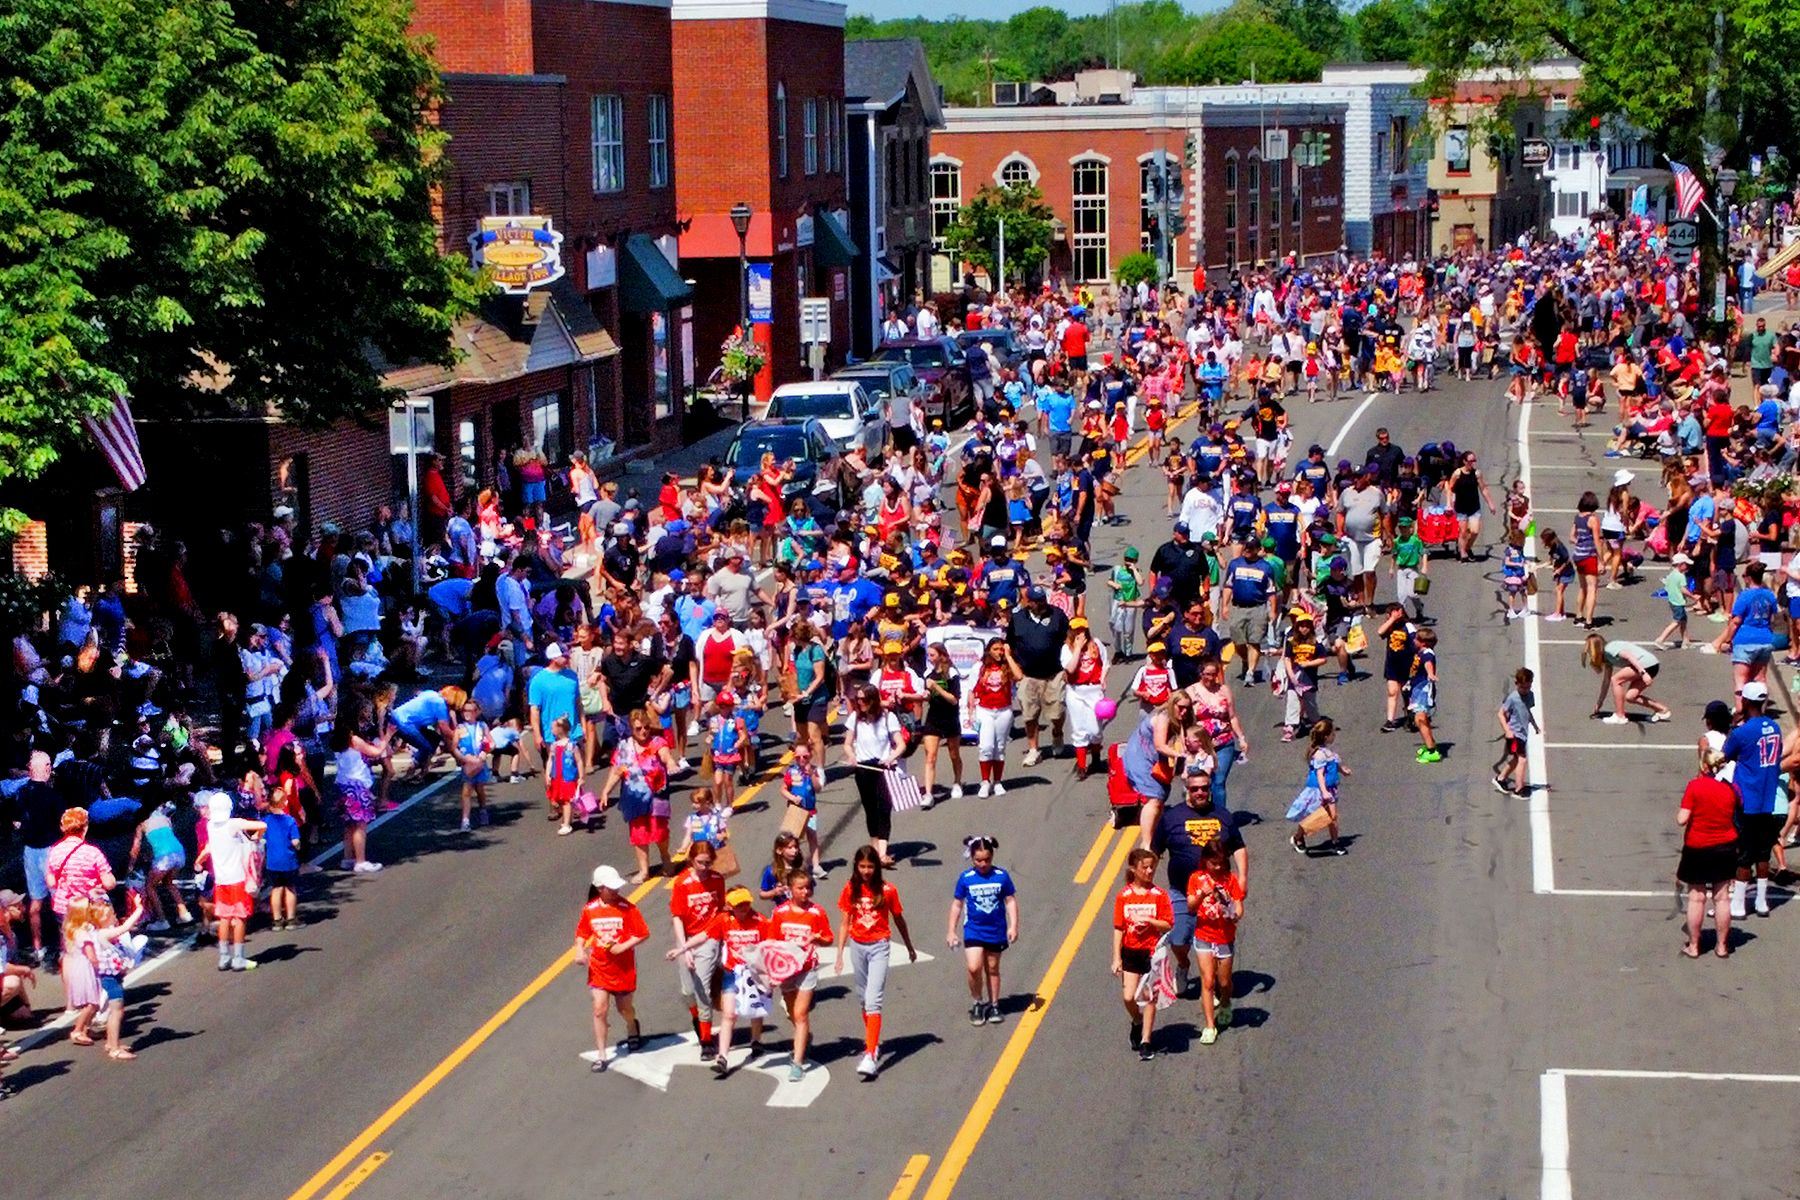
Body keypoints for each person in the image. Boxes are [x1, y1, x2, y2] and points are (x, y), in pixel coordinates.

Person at [833, 846, 919, 1079]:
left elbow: (899, 919)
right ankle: (873, 1040)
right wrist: (840, 954)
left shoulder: (888, 890)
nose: (867, 871)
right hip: (857, 946)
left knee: (873, 1001)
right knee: (863, 998)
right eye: (862, 866)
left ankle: (870, 1055)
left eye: (871, 866)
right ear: (856, 866)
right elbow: (844, 922)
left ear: (877, 867)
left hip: (879, 946)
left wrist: (909, 946)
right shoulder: (850, 888)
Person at [575, 864, 648, 1071]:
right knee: (599, 1010)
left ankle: (632, 1025)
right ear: (600, 888)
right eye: (611, 888)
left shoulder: (627, 908)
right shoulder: (590, 910)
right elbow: (582, 933)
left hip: (623, 969)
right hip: (600, 968)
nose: (616, 892)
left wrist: (622, 947)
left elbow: (642, 933)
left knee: (624, 1009)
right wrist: (579, 950)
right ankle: (601, 1054)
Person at [765, 869, 834, 1082]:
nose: (805, 892)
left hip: (807, 968)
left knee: (801, 1012)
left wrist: (816, 938)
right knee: (792, 1012)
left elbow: (828, 938)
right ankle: (804, 1039)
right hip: (785, 969)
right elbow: (771, 942)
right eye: (800, 888)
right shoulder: (780, 913)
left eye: (808, 888)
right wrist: (770, 973)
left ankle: (797, 1062)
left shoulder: (817, 912)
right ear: (790, 889)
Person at [1722, 682, 1783, 919]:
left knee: (1744, 854)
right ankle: (1761, 901)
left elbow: (1726, 754)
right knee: (1763, 853)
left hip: (1747, 798)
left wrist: (1734, 724)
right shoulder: (1775, 728)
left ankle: (1738, 904)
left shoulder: (1742, 732)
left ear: (1746, 702)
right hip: (1768, 800)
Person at [600, 708, 682, 884]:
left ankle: (665, 858)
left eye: (646, 727)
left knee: (659, 831)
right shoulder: (624, 747)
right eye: (638, 728)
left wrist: (671, 763)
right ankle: (644, 870)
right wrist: (606, 791)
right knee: (639, 834)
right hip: (634, 797)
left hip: (657, 795)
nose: (643, 731)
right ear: (631, 728)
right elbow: (617, 771)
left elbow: (666, 756)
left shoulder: (657, 742)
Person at [665, 837, 726, 1060]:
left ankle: (707, 1039)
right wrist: (685, 948)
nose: (704, 868)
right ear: (691, 860)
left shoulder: (717, 880)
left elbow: (720, 910)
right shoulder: (682, 883)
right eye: (700, 863)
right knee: (688, 991)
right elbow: (677, 917)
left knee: (702, 988)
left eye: (708, 863)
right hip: (687, 937)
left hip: (709, 938)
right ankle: (698, 1018)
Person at [192, 792, 267, 972]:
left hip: (221, 881)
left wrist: (199, 860)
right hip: (238, 879)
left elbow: (209, 848)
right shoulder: (234, 824)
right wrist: (256, 836)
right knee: (240, 918)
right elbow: (262, 824)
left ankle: (224, 956)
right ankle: (239, 958)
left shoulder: (210, 826)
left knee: (224, 918)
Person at [1110, 847, 1172, 1062]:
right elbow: (1119, 928)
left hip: (1152, 952)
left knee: (1149, 998)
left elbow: (1167, 923)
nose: (1149, 871)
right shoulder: (1124, 896)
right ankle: (1137, 1021)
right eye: (1144, 867)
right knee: (1129, 997)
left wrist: (1150, 923)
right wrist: (1116, 957)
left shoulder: (1159, 895)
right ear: (1133, 869)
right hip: (1131, 952)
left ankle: (1146, 1040)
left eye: (1152, 867)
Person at [948, 835, 1017, 1027]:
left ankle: (994, 1004)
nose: (983, 864)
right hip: (974, 930)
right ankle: (977, 1002)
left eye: (987, 859)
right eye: (978, 860)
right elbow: (957, 905)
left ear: (992, 856)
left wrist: (1013, 926)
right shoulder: (966, 879)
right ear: (971, 858)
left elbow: (1010, 900)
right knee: (974, 967)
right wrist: (951, 931)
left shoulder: (1001, 876)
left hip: (996, 930)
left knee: (993, 968)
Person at [1678, 750, 1740, 958]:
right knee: (1722, 898)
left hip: (1697, 846)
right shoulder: (1730, 789)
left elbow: (1682, 819)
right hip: (1725, 846)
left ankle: (1694, 946)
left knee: (1697, 898)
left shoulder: (1695, 786)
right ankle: (1722, 946)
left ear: (1704, 766)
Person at [1187, 839, 1244, 1045]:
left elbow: (1238, 906)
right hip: (1203, 936)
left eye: (1220, 862)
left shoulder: (1230, 880)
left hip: (1224, 937)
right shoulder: (1196, 878)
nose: (1217, 867)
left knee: (1224, 982)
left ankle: (1226, 1002)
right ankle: (1210, 1025)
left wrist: (1235, 915)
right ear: (1205, 861)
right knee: (1208, 981)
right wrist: (1202, 892)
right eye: (1213, 862)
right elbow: (1191, 906)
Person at [844, 685, 905, 867]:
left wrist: (890, 758)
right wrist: (852, 756)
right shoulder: (855, 718)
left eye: (862, 700)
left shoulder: (888, 718)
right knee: (870, 809)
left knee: (883, 808)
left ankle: (883, 852)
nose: (859, 703)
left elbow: (900, 743)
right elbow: (847, 744)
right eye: (858, 699)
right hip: (863, 768)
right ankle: (875, 849)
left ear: (872, 700)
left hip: (882, 767)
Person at [82, 892, 146, 1061]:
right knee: (117, 1011)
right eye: (112, 916)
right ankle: (115, 1048)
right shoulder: (102, 933)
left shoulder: (98, 932)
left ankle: (112, 1043)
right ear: (102, 919)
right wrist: (139, 909)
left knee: (113, 1011)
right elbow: (124, 928)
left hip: (112, 976)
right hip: (110, 978)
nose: (115, 917)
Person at [331, 722, 391, 874]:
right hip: (357, 785)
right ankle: (360, 861)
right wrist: (388, 735)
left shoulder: (338, 739)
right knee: (360, 824)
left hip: (344, 784)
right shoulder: (354, 740)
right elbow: (376, 751)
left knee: (349, 824)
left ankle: (347, 858)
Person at [1285, 719, 1348, 855]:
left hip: (1330, 789)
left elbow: (1334, 765)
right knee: (1314, 818)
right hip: (1319, 791)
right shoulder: (1319, 754)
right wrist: (1324, 792)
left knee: (1333, 817)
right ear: (1326, 736)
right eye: (1332, 733)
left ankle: (1335, 842)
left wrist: (1343, 771)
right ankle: (1298, 837)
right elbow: (1320, 774)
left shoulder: (1328, 752)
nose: (1334, 736)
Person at [970, 639, 1024, 795]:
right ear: (988, 650)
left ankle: (998, 781)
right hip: (984, 711)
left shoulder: (1007, 666)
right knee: (986, 747)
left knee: (999, 748)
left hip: (1004, 711)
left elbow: (1019, 676)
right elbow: (971, 691)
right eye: (996, 649)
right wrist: (971, 712)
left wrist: (1008, 655)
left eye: (1001, 649)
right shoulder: (979, 668)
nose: (999, 652)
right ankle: (985, 781)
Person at [1581, 635, 1672, 724]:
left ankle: (1620, 716)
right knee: (1630, 697)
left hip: (1646, 665)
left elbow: (1629, 656)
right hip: (1651, 666)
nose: (1589, 653)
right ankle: (1662, 710)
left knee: (1616, 679)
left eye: (1589, 650)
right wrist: (1600, 702)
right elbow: (1606, 681)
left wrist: (1643, 673)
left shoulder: (1610, 648)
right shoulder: (1607, 658)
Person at [1061, 617, 1110, 778]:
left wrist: (1103, 678)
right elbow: (1070, 668)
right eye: (1077, 630)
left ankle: (1096, 759)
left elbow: (1106, 663)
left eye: (1083, 629)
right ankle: (1081, 766)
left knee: (1096, 729)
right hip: (1076, 691)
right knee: (1079, 729)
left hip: (1094, 690)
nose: (1081, 633)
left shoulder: (1096, 643)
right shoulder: (1066, 648)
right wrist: (1077, 648)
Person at [919, 643, 965, 806]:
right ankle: (929, 794)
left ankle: (957, 782)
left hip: (950, 717)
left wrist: (936, 687)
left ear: (941, 655)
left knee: (954, 754)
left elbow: (954, 699)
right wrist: (925, 694)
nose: (930, 658)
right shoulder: (928, 673)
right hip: (934, 718)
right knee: (930, 756)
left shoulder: (951, 673)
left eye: (932, 655)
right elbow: (928, 696)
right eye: (928, 655)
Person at [261, 790, 302, 932]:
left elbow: (260, 838)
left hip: (272, 862)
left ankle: (277, 920)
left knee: (276, 889)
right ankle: (291, 919)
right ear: (284, 803)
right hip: (289, 861)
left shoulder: (266, 821)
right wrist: (298, 846)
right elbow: (295, 841)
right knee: (290, 888)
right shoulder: (290, 821)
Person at [1494, 667, 1538, 796]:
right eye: (1523, 688)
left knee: (1516, 759)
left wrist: (1535, 725)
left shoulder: (1530, 695)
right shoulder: (1512, 698)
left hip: (1522, 734)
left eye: (1528, 687)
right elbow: (1500, 714)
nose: (1525, 690)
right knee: (1522, 759)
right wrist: (1507, 730)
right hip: (1513, 735)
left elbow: (1527, 711)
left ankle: (1500, 778)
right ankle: (1519, 789)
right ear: (1517, 684)